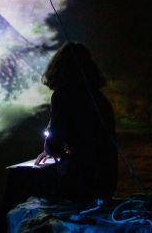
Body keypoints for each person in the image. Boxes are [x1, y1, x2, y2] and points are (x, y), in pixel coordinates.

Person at [34, 42, 118, 202]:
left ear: (59, 67)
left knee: (21, 180)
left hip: (82, 183)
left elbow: (55, 143)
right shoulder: (99, 98)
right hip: (107, 181)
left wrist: (49, 148)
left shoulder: (62, 95)